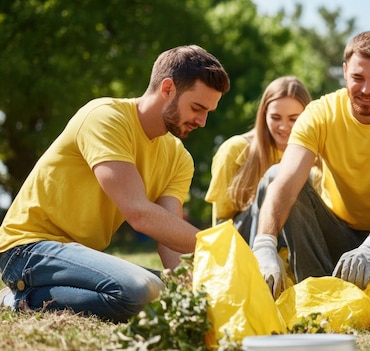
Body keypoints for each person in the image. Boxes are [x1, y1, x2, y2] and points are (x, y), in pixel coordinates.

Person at [0, 45, 230, 322]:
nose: (203, 122)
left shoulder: (180, 158)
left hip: (78, 256)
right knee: (139, 290)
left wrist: (191, 291)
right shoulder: (106, 118)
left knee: (172, 292)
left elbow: (169, 238)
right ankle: (18, 299)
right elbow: (139, 213)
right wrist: (220, 246)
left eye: (209, 112)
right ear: (167, 88)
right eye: (197, 108)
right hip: (28, 248)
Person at [251, 30, 370, 299]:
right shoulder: (320, 113)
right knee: (274, 176)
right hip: (335, 237)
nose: (366, 89)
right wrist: (264, 244)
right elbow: (284, 183)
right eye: (357, 78)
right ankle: (318, 295)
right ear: (344, 72)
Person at [205, 76, 313, 242]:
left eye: (293, 119)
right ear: (264, 115)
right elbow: (221, 221)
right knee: (275, 184)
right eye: (276, 118)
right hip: (245, 245)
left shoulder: (315, 155)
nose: (284, 127)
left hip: (296, 245)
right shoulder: (235, 150)